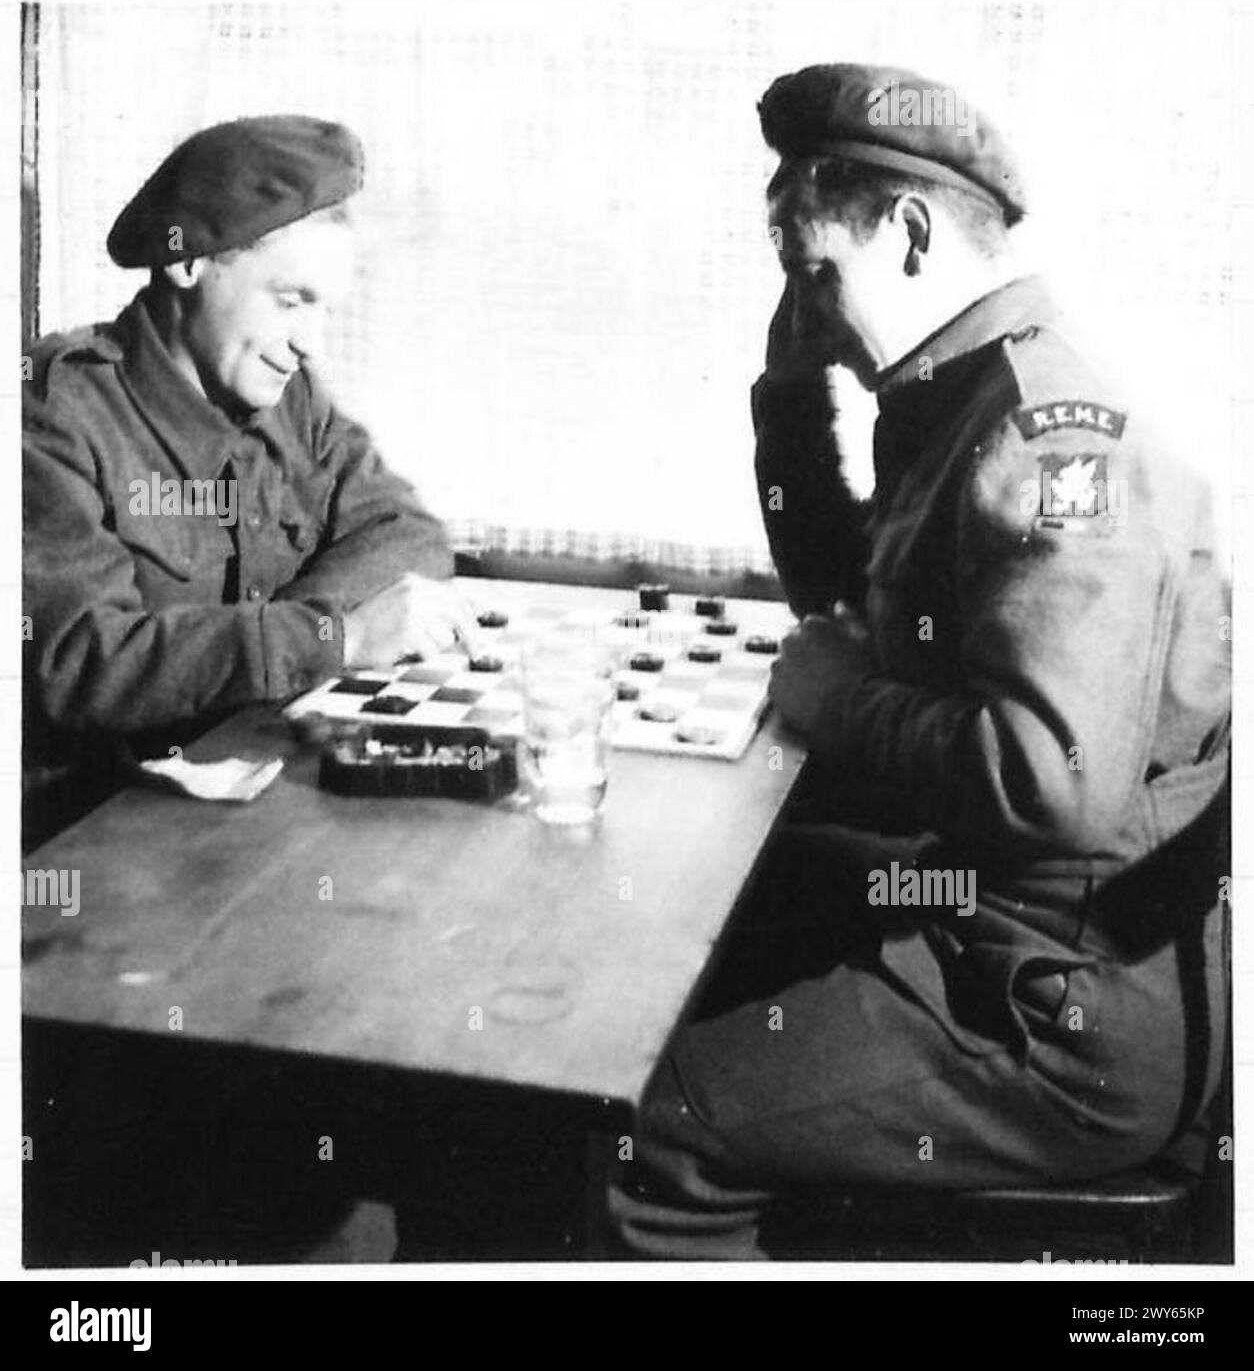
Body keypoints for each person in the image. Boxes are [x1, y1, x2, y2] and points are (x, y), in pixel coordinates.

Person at [608, 64, 1231, 1259]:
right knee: (711, 915)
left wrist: (840, 704)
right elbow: (851, 603)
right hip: (987, 917)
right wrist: (791, 403)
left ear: (907, 233)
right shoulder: (958, 399)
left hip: (1058, 1014)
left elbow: (1051, 779)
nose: (808, 309)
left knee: (646, 1127)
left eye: (812, 271)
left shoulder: (1052, 441)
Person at [23, 114, 474, 844]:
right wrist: (331, 638)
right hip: (83, 838)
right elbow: (80, 664)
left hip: (242, 797)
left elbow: (405, 532)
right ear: (188, 262)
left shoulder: (287, 398)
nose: (309, 342)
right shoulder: (52, 412)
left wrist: (302, 643)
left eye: (324, 309)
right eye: (291, 300)